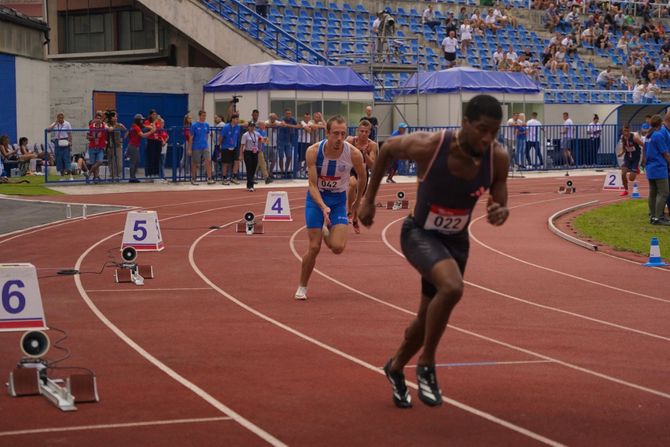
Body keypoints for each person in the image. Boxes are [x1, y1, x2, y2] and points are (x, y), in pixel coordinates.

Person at [358, 94, 509, 408]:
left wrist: (499, 210)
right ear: (464, 123)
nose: (487, 138)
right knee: (452, 287)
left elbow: (500, 198)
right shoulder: (431, 146)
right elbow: (387, 149)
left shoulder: (497, 158)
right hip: (420, 234)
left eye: (494, 132)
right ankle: (426, 365)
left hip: (457, 242)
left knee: (426, 318)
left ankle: (396, 367)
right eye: (482, 129)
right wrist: (368, 199)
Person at [294, 115, 367, 301]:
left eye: (343, 134)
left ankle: (327, 232)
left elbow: (363, 176)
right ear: (327, 133)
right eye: (335, 133)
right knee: (314, 247)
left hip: (337, 201)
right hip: (316, 199)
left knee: (337, 247)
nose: (339, 138)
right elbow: (311, 184)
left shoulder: (353, 153)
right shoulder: (313, 152)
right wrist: (322, 205)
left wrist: (357, 202)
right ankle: (302, 286)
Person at [346, 120, 379, 234]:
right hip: (350, 169)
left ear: (369, 132)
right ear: (357, 131)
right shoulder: (350, 140)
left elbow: (373, 166)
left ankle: (355, 219)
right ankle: (349, 211)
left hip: (363, 172)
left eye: (366, 131)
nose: (363, 134)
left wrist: (365, 155)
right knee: (352, 184)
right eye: (361, 131)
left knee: (358, 199)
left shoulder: (372, 145)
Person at [642, 114, 670, 225]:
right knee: (663, 192)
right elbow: (665, 153)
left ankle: (653, 216)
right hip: (659, 167)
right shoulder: (658, 135)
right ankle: (659, 217)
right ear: (660, 123)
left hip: (650, 167)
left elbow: (645, 151)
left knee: (653, 193)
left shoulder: (649, 136)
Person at [126, 114, 155, 183]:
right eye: (141, 120)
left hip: (134, 145)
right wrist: (151, 131)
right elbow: (143, 135)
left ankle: (133, 176)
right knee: (133, 162)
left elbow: (145, 127)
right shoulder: (136, 127)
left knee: (137, 161)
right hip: (133, 146)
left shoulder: (135, 126)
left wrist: (151, 127)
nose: (142, 121)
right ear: (138, 120)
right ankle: (132, 178)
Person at [190, 110, 214, 185]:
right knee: (195, 163)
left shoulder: (207, 125)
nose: (204, 117)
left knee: (208, 161)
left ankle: (209, 178)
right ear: (199, 116)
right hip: (196, 146)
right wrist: (189, 148)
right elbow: (191, 137)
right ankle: (193, 178)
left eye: (205, 116)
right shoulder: (194, 125)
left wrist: (205, 143)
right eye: (203, 116)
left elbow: (207, 135)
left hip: (205, 146)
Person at [617, 125, 643, 197]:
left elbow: (644, 145)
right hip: (627, 158)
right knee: (623, 173)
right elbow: (624, 147)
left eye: (627, 131)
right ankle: (625, 190)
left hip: (635, 158)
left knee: (631, 179)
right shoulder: (623, 138)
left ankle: (636, 169)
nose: (625, 133)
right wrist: (621, 153)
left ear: (629, 130)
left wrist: (645, 156)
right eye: (624, 131)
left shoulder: (635, 138)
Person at [47, 112, 72, 179]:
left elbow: (69, 134)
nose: (60, 119)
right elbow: (48, 130)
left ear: (63, 118)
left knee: (66, 158)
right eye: (59, 118)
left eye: (61, 118)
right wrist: (55, 123)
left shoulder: (67, 124)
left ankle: (70, 175)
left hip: (65, 141)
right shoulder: (55, 124)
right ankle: (62, 176)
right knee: (59, 158)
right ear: (57, 118)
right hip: (57, 142)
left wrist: (70, 142)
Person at [87, 111, 110, 183]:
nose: (98, 120)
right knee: (94, 164)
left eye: (100, 119)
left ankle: (89, 173)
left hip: (100, 147)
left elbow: (108, 128)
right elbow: (87, 136)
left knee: (99, 162)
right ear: (95, 119)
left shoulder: (103, 125)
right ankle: (95, 178)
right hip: (92, 147)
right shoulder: (91, 126)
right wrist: (92, 137)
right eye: (97, 118)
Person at [220, 113, 242, 185]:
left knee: (237, 162)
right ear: (232, 119)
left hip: (234, 147)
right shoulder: (226, 127)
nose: (237, 120)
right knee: (225, 163)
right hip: (225, 147)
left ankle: (234, 177)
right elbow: (221, 137)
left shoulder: (238, 127)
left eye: (238, 119)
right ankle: (224, 178)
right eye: (236, 119)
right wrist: (220, 146)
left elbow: (245, 123)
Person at [240, 121, 262, 192]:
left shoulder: (257, 134)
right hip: (248, 152)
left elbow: (260, 140)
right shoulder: (245, 135)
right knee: (249, 168)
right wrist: (241, 154)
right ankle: (250, 186)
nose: (252, 127)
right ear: (248, 127)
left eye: (253, 126)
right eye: (251, 126)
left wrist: (260, 148)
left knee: (253, 168)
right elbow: (242, 145)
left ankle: (249, 184)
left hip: (255, 152)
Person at [107, 111, 126, 182]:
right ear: (111, 118)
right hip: (110, 145)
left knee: (118, 161)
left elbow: (126, 131)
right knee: (111, 161)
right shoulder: (108, 124)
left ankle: (118, 175)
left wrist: (123, 138)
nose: (116, 118)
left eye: (116, 116)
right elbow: (110, 130)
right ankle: (111, 175)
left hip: (118, 145)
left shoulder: (119, 125)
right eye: (114, 116)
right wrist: (116, 126)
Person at [144, 109, 163, 178]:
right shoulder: (147, 122)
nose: (155, 116)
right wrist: (154, 122)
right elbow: (152, 129)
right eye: (153, 114)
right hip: (151, 141)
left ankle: (156, 173)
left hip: (157, 141)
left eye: (156, 114)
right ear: (150, 115)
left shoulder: (158, 122)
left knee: (157, 157)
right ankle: (150, 173)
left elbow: (160, 130)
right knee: (151, 157)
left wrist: (161, 122)